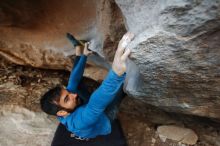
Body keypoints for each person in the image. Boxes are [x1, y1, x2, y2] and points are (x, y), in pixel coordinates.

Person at [40, 32, 134, 145]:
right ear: (61, 112)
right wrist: (115, 73)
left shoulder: (63, 110)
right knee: (119, 88)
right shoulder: (80, 122)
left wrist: (84, 56)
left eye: (68, 94)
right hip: (105, 118)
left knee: (75, 85)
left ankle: (78, 50)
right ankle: (125, 85)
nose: (73, 95)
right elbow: (96, 104)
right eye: (67, 99)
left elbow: (73, 80)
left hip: (87, 110)